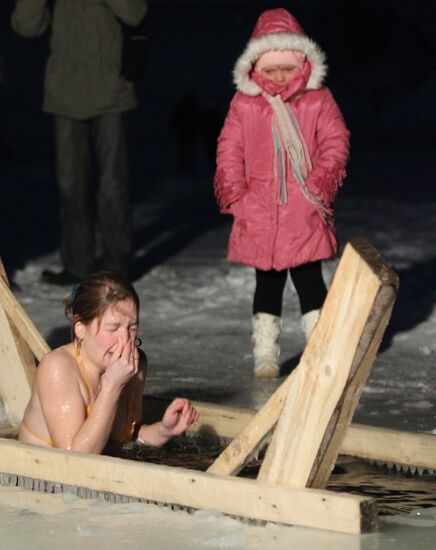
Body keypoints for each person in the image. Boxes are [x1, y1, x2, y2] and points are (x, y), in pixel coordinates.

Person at [214, 8, 350, 379]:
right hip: (259, 211)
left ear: (303, 63)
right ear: (255, 66)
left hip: (303, 210)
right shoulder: (245, 104)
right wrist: (236, 193)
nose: (278, 77)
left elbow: (335, 142)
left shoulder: (316, 99)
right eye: (270, 70)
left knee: (309, 282)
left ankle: (321, 350)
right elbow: (229, 149)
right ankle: (265, 355)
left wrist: (319, 185)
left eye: (286, 69)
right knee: (267, 285)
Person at [11, 0, 147, 285]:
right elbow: (25, 26)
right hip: (64, 96)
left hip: (112, 92)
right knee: (71, 185)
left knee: (112, 185)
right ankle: (77, 265)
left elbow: (135, 13)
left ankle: (118, 265)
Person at [19, 271, 199, 453]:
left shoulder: (135, 366)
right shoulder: (57, 368)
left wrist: (165, 430)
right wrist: (111, 387)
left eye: (132, 327)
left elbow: (130, 438)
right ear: (80, 329)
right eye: (113, 328)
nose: (125, 339)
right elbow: (73, 459)